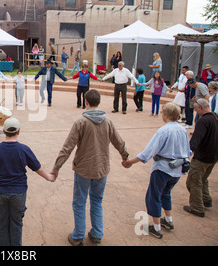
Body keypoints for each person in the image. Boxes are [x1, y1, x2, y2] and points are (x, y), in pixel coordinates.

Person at [51, 89, 129, 246]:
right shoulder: (107, 122)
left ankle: (78, 235)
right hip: (102, 168)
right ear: (99, 102)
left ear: (86, 102)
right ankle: (97, 233)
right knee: (97, 200)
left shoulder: (81, 122)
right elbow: (118, 141)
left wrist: (56, 167)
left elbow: (67, 147)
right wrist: (125, 156)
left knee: (79, 202)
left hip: (84, 170)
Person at [0, 117, 54, 246]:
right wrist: (48, 177)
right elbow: (37, 167)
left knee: (1, 223)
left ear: (3, 131)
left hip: (0, 192)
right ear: (19, 132)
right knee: (16, 223)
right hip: (18, 192)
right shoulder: (24, 149)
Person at [122, 102, 191, 239]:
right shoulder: (183, 130)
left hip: (163, 169)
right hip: (177, 170)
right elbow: (188, 151)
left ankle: (157, 227)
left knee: (154, 196)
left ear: (166, 115)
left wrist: (130, 162)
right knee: (166, 193)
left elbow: (148, 152)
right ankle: (169, 220)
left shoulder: (164, 131)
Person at [185, 99, 217, 217]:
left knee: (193, 181)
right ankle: (206, 199)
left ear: (201, 108)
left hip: (202, 157)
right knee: (203, 178)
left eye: (196, 109)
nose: (196, 112)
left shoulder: (203, 121)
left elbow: (196, 138)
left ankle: (197, 207)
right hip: (213, 157)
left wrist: (187, 153)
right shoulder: (215, 118)